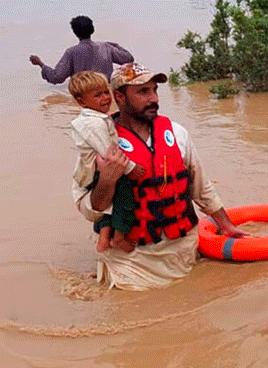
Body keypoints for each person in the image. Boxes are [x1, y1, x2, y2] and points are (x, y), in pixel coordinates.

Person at [72, 62, 247, 291]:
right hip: (132, 263)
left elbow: (201, 189)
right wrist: (107, 179)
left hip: (183, 253)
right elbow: (90, 209)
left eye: (154, 90)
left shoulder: (177, 133)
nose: (153, 98)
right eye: (143, 92)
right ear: (120, 97)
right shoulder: (100, 142)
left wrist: (227, 226)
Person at [68, 71, 146, 253]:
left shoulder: (95, 119)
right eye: (98, 95)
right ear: (81, 102)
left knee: (108, 203)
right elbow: (108, 152)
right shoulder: (92, 124)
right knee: (125, 197)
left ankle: (103, 239)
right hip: (97, 171)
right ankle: (119, 238)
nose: (105, 98)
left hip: (93, 171)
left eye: (106, 92)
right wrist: (131, 168)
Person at [29, 15, 134, 84]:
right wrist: (114, 45)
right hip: (105, 91)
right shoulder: (106, 47)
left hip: (85, 94)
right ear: (92, 30)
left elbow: (57, 77)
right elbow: (128, 58)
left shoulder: (72, 52)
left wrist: (41, 64)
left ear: (75, 32)